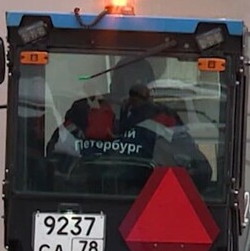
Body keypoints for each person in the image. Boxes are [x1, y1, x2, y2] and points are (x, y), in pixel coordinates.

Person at [45, 57, 212, 190]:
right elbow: (54, 158)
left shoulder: (163, 118)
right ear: (149, 90)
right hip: (87, 201)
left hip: (147, 207)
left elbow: (198, 170)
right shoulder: (84, 112)